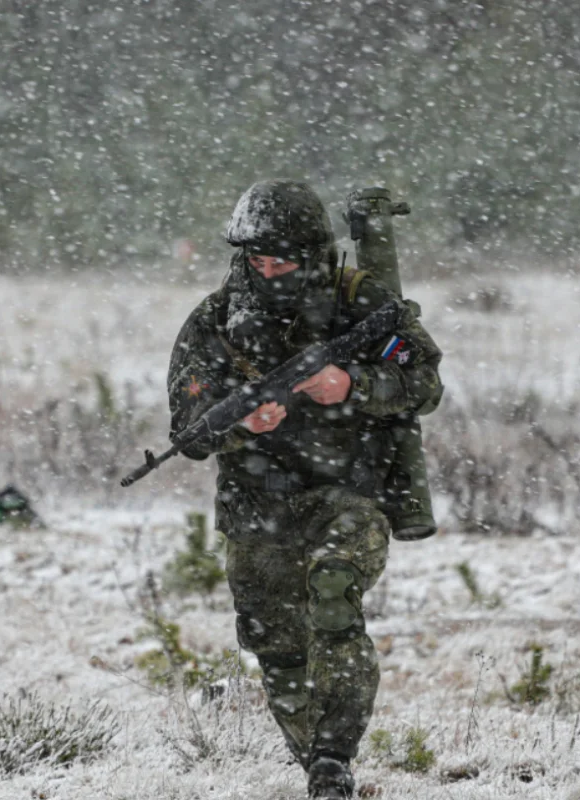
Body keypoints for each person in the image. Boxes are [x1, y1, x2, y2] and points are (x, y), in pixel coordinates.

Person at [166, 180, 444, 799]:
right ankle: (317, 767)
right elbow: (187, 427)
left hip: (348, 490)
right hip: (255, 503)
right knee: (275, 642)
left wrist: (353, 383)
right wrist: (238, 424)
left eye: (281, 261)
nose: (267, 273)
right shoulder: (216, 320)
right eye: (256, 261)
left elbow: (423, 382)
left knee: (333, 592)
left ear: (311, 252)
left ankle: (335, 755)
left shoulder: (361, 305)